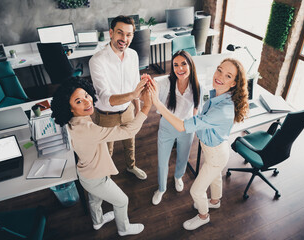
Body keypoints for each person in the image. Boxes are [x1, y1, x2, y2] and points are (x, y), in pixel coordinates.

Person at [147, 58, 249, 230]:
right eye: (219, 70)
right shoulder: (219, 94)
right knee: (215, 176)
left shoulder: (222, 110)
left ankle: (203, 216)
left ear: (234, 83)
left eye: (228, 75)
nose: (220, 76)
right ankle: (215, 201)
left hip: (216, 153)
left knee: (196, 191)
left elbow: (182, 125)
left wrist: (157, 103)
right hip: (214, 150)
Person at [51, 77, 152, 236]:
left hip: (86, 173)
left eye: (86, 95)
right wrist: (147, 107)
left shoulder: (71, 121)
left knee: (94, 199)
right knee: (122, 201)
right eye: (78, 101)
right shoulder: (88, 129)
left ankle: (98, 221)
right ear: (69, 107)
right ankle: (123, 229)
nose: (87, 101)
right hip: (96, 178)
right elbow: (128, 132)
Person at [89, 15, 147, 180]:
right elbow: (105, 97)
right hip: (106, 115)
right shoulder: (97, 61)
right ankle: (106, 178)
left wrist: (136, 107)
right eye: (120, 33)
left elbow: (135, 83)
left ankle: (131, 166)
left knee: (130, 141)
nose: (124, 38)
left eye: (128, 35)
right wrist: (134, 95)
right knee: (107, 151)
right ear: (111, 33)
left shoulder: (133, 55)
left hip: (128, 110)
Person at [150, 50, 202, 205]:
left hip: (186, 128)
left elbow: (197, 108)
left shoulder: (197, 86)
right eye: (176, 65)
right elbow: (153, 90)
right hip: (167, 127)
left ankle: (178, 176)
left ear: (190, 64)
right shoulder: (165, 83)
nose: (180, 69)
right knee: (162, 160)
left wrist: (193, 125)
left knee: (183, 157)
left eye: (183, 64)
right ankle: (161, 188)